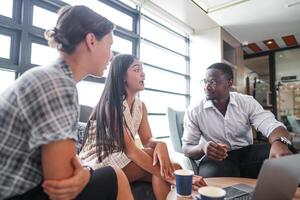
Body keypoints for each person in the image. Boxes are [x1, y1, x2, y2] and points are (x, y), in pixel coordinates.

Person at [0, 5, 133, 200]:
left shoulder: (50, 76)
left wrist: (84, 172)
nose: (111, 55)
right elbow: (61, 185)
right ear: (91, 41)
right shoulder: (58, 84)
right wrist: (86, 173)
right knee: (115, 177)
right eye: (109, 45)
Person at [79, 54, 207, 200]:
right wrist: (173, 178)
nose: (143, 73)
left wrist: (160, 144)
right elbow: (131, 151)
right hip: (99, 163)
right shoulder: (111, 105)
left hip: (122, 157)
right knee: (167, 167)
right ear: (122, 76)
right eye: (136, 69)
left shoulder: (141, 106)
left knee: (172, 166)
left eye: (142, 69)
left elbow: (147, 139)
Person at [182, 62, 295, 178]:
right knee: (214, 177)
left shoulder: (246, 102)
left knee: (287, 154)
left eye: (212, 82)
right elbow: (187, 148)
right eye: (205, 81)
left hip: (247, 154)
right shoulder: (194, 110)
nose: (206, 87)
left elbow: (272, 125)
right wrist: (203, 147)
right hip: (216, 159)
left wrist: (280, 142)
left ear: (229, 82)